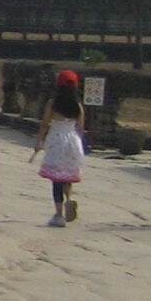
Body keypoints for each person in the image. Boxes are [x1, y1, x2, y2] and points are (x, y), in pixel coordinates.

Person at [32, 69, 86, 226]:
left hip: (56, 140)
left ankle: (58, 214)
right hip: (72, 140)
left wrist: (39, 142)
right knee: (67, 175)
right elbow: (81, 127)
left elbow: (44, 124)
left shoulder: (52, 104)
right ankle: (69, 198)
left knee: (56, 178)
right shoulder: (78, 106)